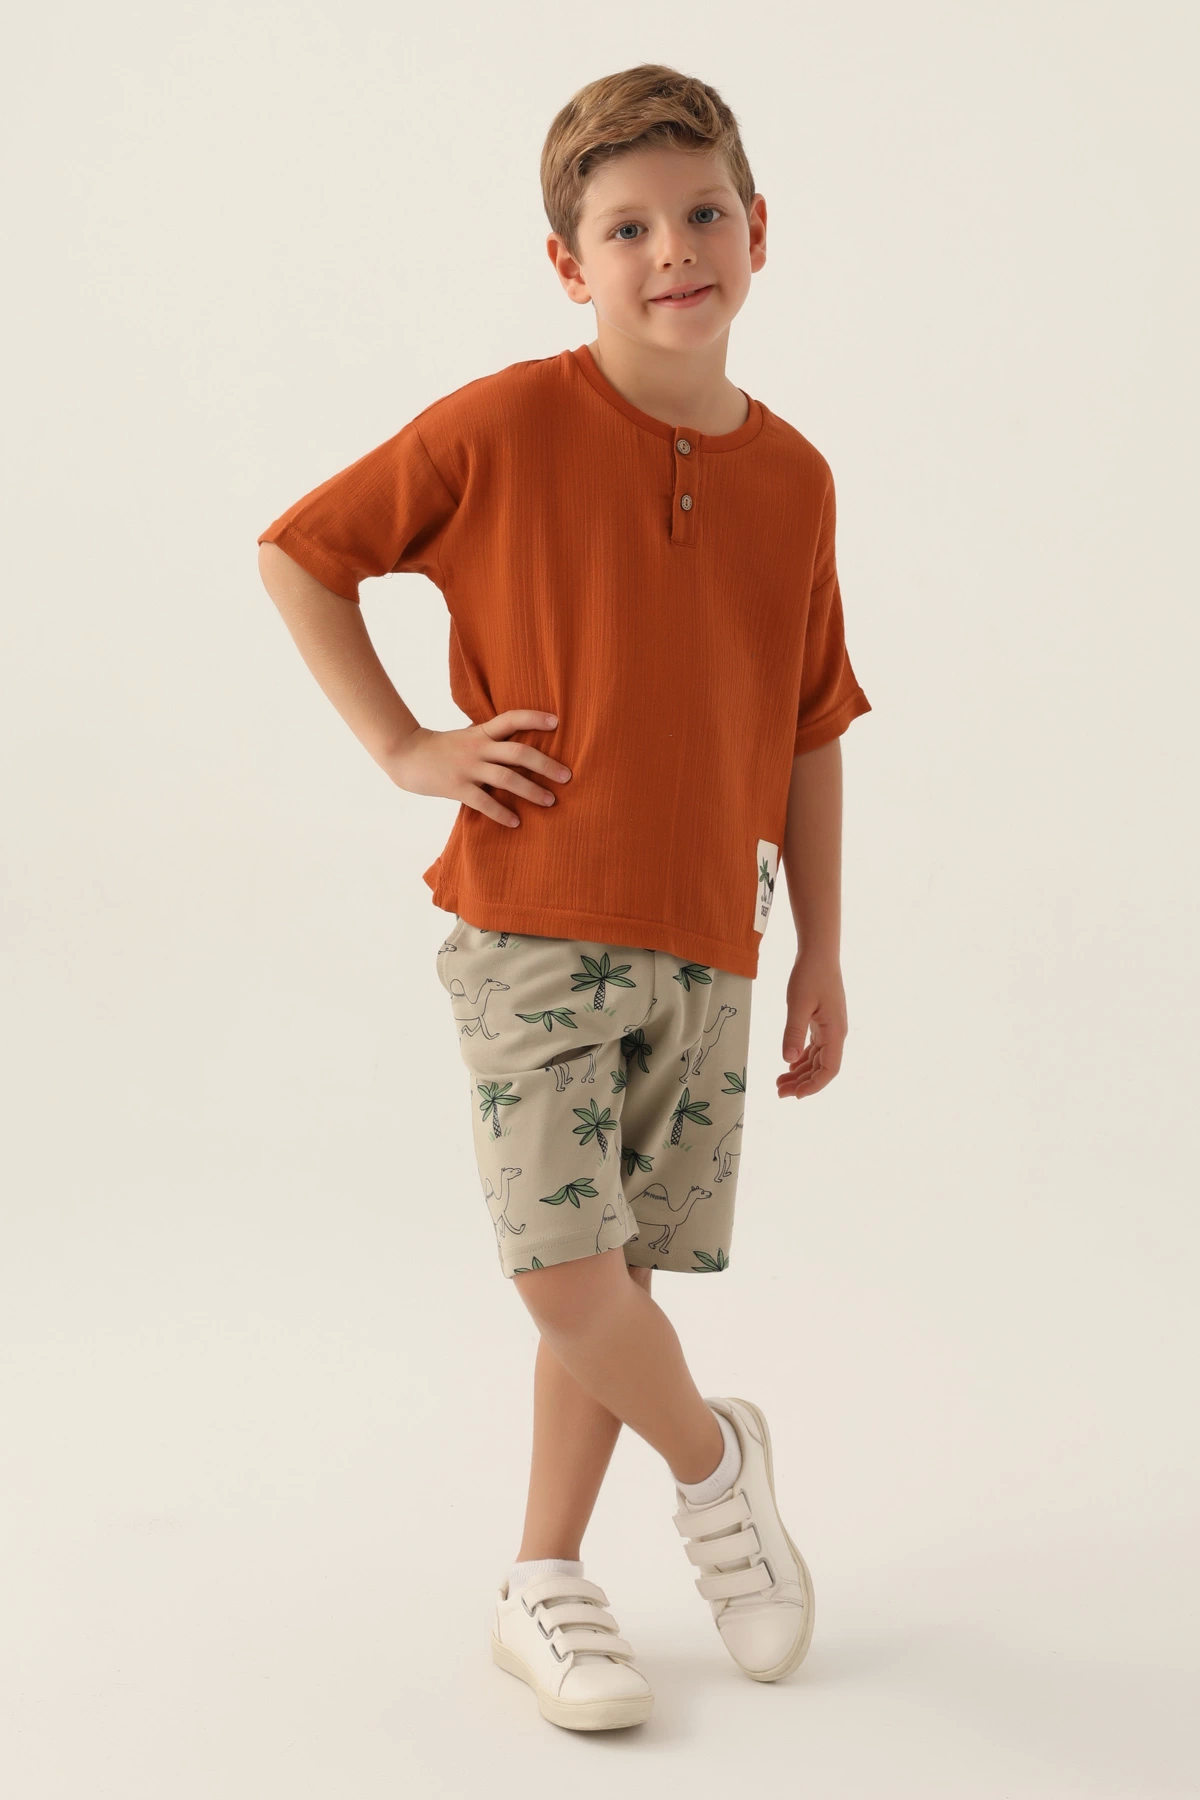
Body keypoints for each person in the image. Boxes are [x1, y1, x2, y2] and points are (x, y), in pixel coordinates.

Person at [256, 63, 871, 1734]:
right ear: (567, 262)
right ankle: (716, 1466)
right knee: (559, 1270)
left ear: (759, 231)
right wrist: (406, 746)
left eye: (702, 214)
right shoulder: (508, 424)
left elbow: (811, 724)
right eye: (627, 228)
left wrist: (820, 946)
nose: (673, 251)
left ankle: (543, 1576)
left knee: (617, 1272)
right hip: (535, 923)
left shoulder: (798, 479)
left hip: (714, 941)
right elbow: (303, 553)